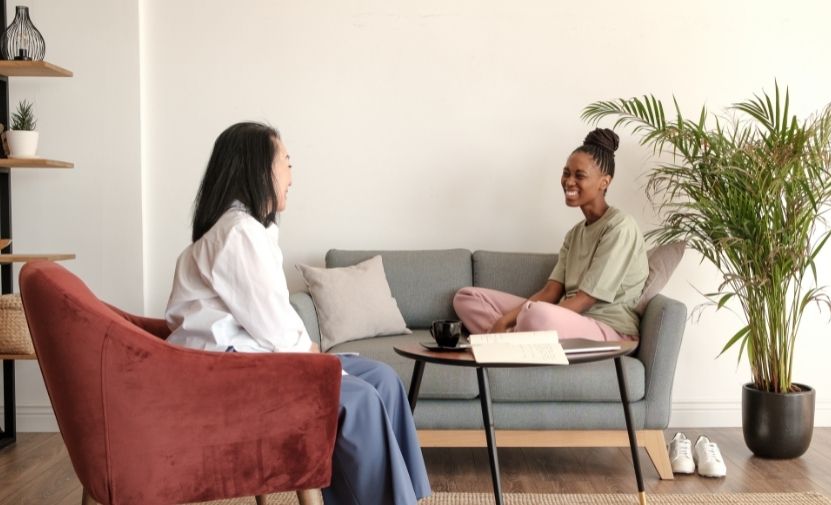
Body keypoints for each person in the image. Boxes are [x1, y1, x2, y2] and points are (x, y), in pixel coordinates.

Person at [165, 122, 431, 505]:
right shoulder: (237, 235)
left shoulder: (248, 231)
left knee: (384, 380)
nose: (292, 175)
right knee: (360, 399)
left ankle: (399, 497)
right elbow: (275, 328)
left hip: (255, 359)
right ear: (260, 171)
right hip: (231, 373)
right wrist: (317, 359)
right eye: (286, 162)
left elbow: (271, 317)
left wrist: (315, 355)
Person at [453, 128, 648, 342]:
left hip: (608, 329)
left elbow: (585, 300)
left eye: (579, 175)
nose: (569, 182)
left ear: (605, 182)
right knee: (467, 297)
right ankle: (515, 340)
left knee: (536, 314)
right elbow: (550, 293)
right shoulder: (574, 235)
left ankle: (510, 340)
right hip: (563, 319)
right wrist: (504, 320)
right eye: (566, 173)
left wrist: (525, 317)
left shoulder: (620, 227)